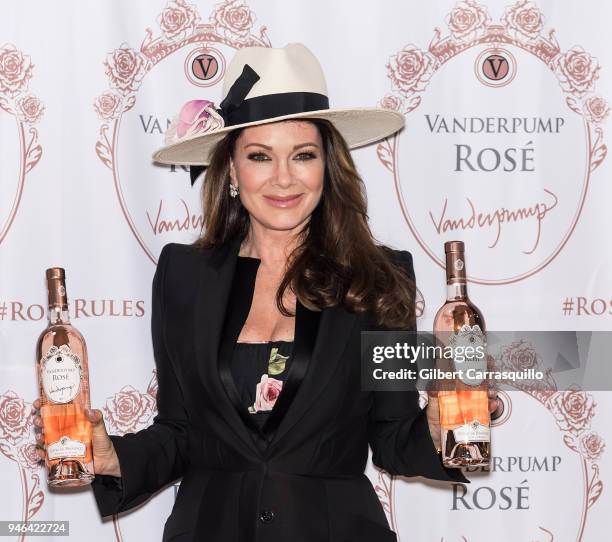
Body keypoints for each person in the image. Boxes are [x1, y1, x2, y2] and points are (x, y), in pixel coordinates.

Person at [32, 43, 499, 542]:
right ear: (231, 170)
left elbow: (391, 437)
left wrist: (436, 423)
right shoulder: (182, 275)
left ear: (327, 167)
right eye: (259, 156)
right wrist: (110, 456)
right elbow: (180, 431)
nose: (283, 178)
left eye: (303, 155)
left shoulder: (379, 277)